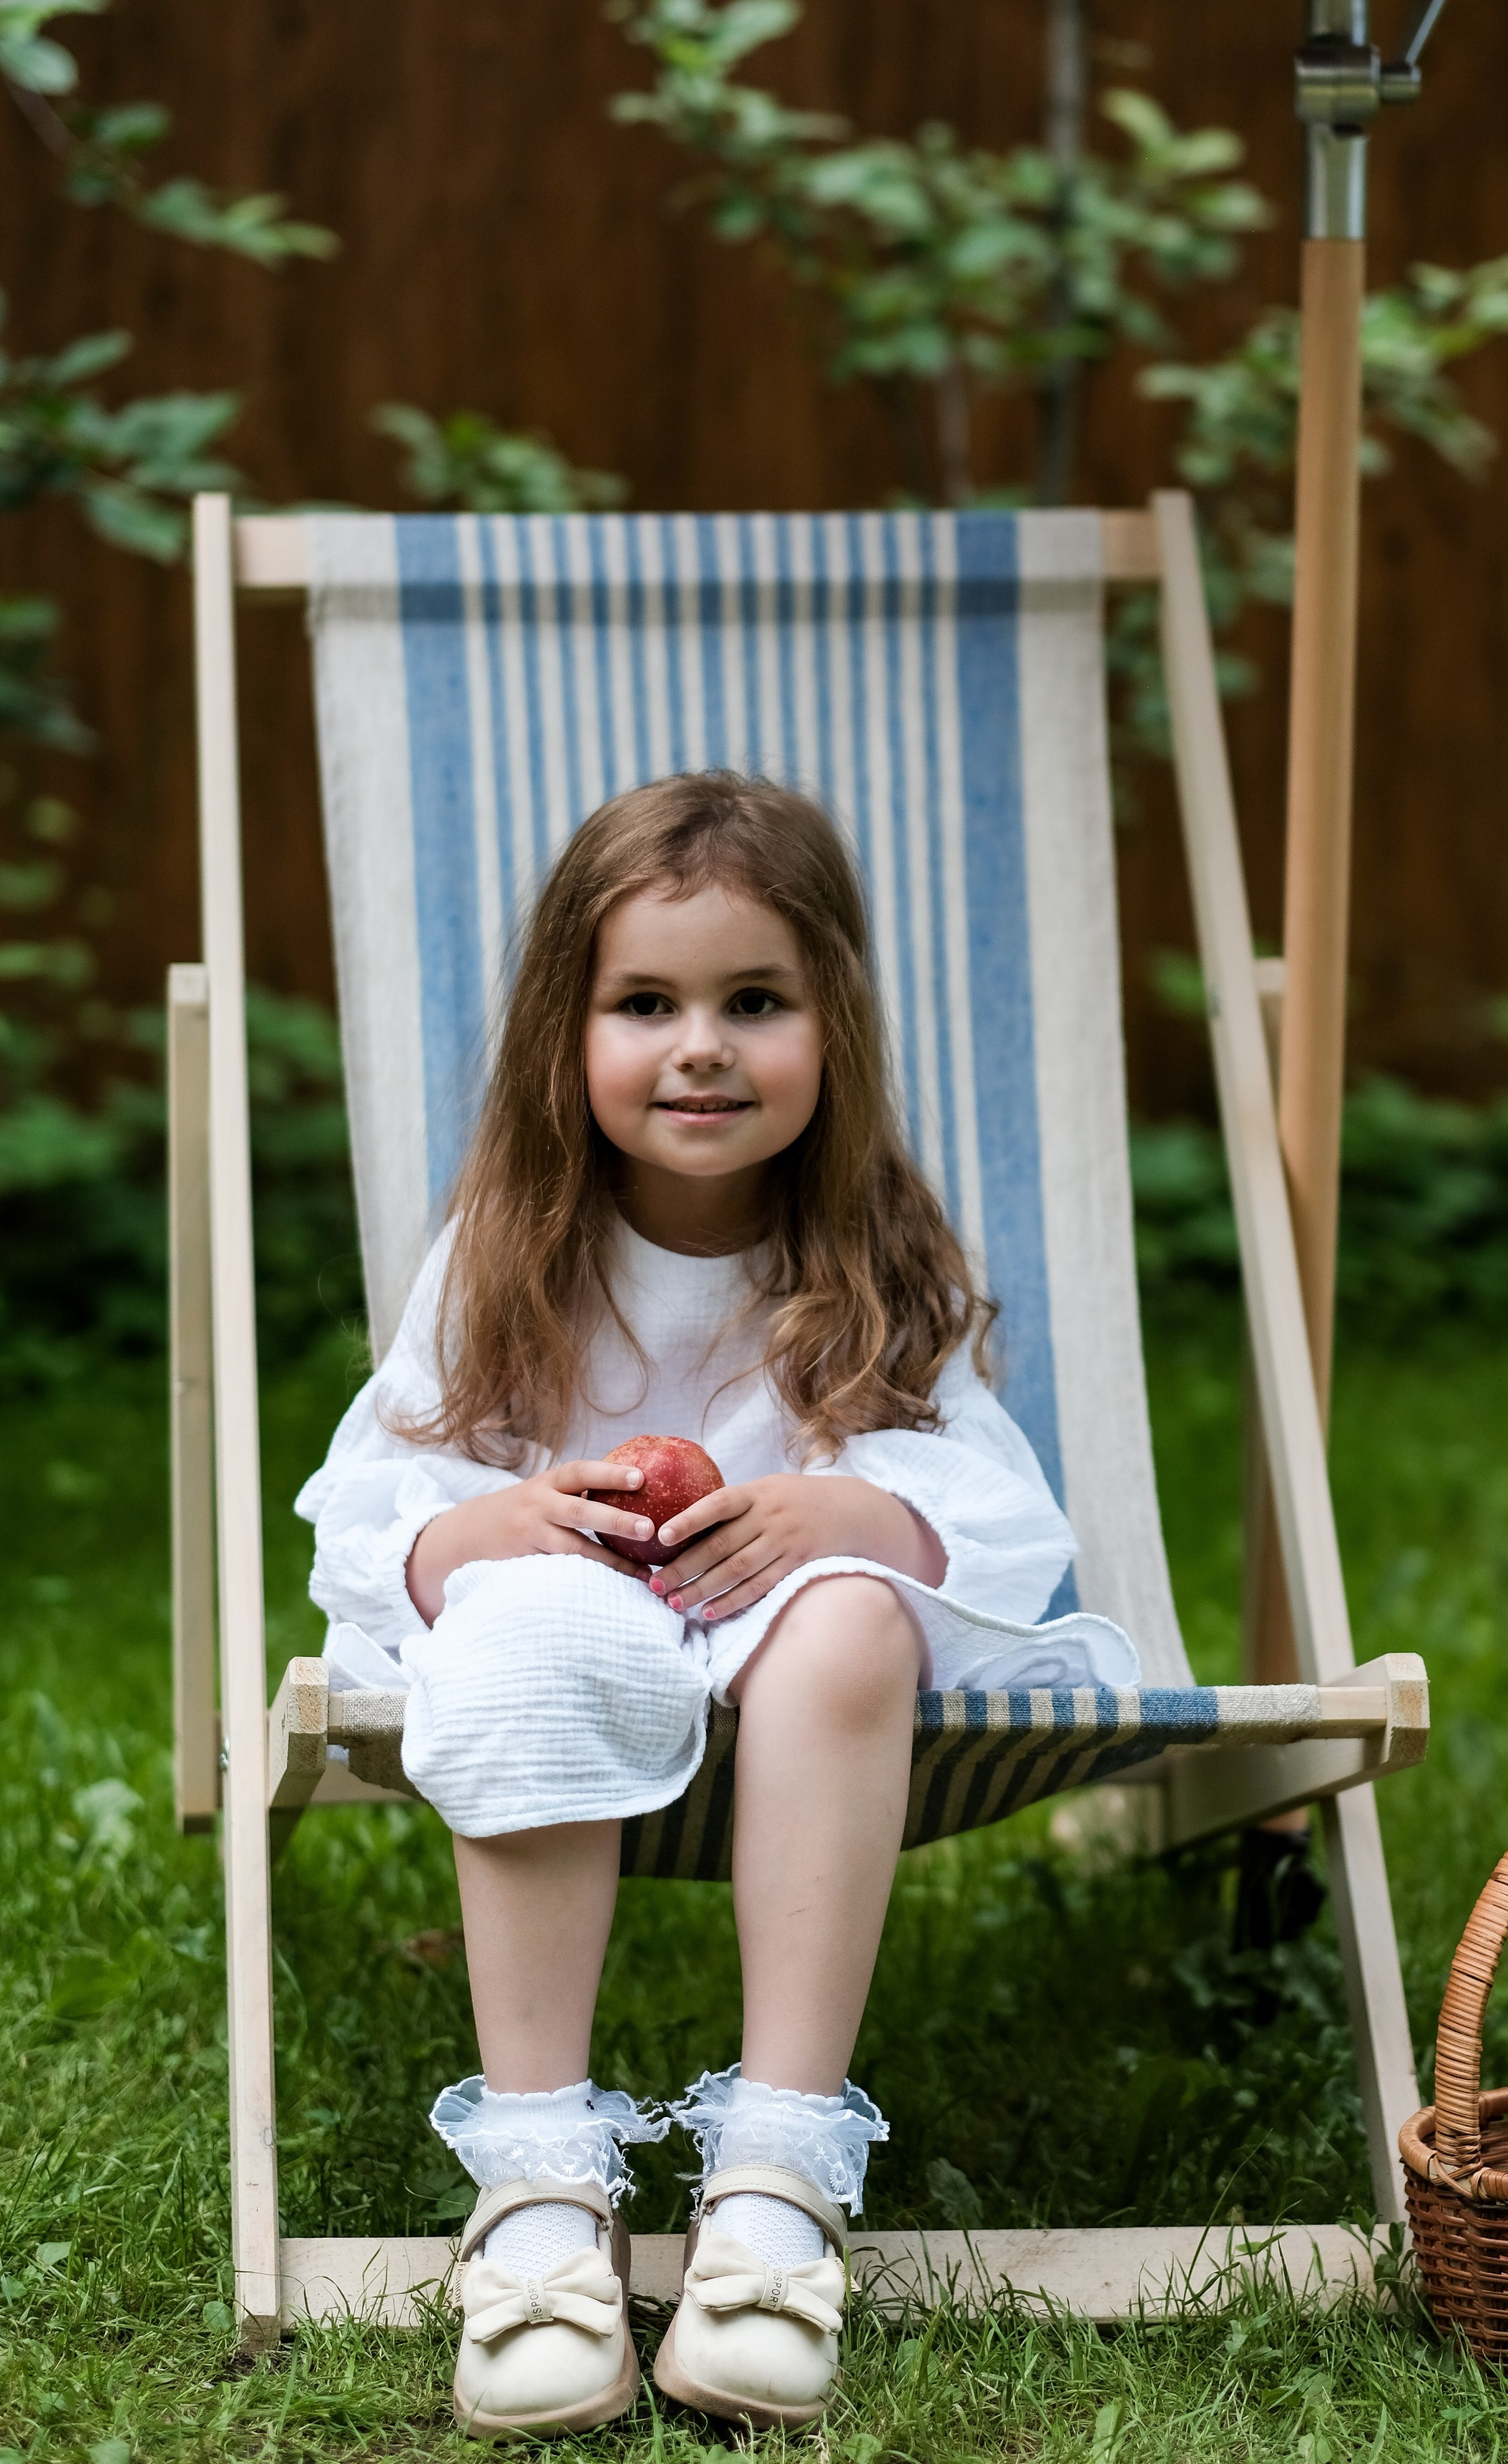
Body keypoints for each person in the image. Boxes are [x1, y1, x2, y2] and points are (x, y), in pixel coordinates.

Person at [298, 770, 1138, 2438]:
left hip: (787, 1673)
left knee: (852, 1611)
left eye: (755, 1001)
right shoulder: (502, 1255)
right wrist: (497, 1529)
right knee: (525, 1624)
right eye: (645, 1003)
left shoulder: (876, 1258)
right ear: (568, 1030)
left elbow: (999, 1524)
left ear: (832, 1027)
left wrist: (851, 1508)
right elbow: (373, 1515)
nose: (701, 1045)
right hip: (564, 1651)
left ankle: (772, 2177)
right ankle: (539, 2190)